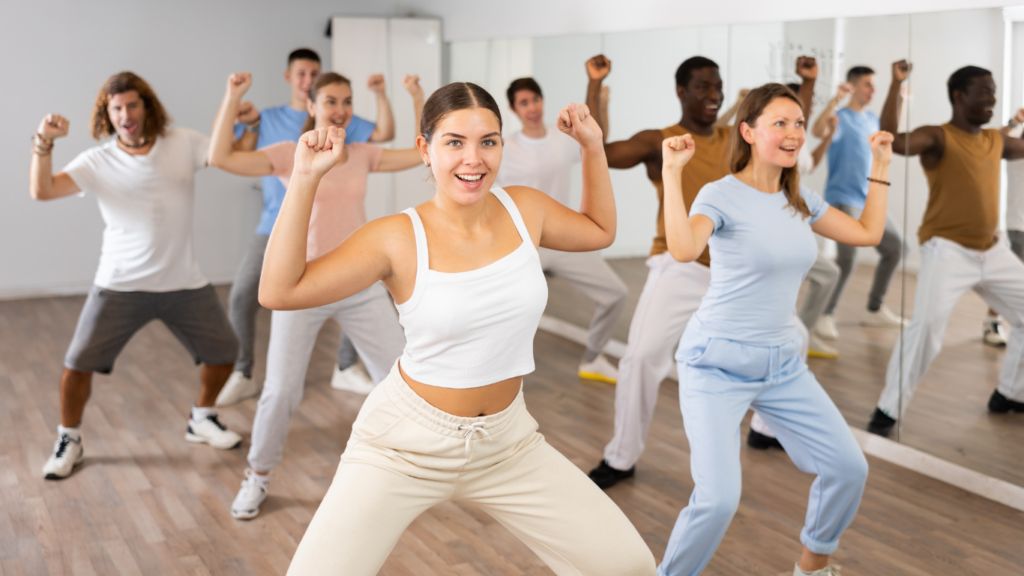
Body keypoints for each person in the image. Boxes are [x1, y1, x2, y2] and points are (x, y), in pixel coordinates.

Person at [259, 83, 656, 574]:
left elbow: (599, 229)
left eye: (488, 141)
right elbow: (280, 292)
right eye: (454, 142)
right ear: (425, 149)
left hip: (507, 442)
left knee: (627, 564)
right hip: (404, 445)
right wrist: (303, 178)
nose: (474, 158)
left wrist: (592, 147)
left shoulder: (525, 209)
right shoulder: (396, 237)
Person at [659, 83, 885, 576]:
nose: (793, 133)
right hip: (715, 364)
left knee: (849, 468)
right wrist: (672, 175)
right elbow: (681, 248)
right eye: (780, 123)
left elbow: (867, 234)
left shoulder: (800, 197)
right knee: (718, 500)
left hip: (781, 364)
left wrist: (882, 168)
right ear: (749, 131)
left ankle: (813, 566)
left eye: (799, 123)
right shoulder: (720, 194)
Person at [583, 54, 814, 488]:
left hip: (732, 273)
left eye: (717, 86)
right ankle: (621, 457)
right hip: (679, 268)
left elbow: (788, 127)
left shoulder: (736, 140)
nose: (713, 95)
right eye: (703, 87)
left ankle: (765, 432)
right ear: (682, 92)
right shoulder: (662, 140)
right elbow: (602, 150)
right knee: (642, 357)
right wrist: (595, 85)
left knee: (796, 337)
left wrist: (807, 84)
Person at [208, 71, 424, 519]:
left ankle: (410, 468)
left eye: (346, 101)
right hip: (302, 288)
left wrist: (416, 96)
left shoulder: (362, 153)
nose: (340, 110)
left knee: (403, 380)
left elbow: (425, 152)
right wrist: (231, 97)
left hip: (359, 285)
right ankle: (258, 475)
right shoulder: (291, 154)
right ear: (311, 106)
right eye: (330, 101)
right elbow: (220, 157)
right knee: (282, 391)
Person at [31, 72, 243, 480]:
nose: (125, 115)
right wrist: (44, 142)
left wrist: (243, 117)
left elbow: (225, 154)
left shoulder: (182, 142)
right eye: (116, 108)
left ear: (147, 107)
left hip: (183, 281)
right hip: (120, 284)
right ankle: (69, 437)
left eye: (132, 105)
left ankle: (201, 417)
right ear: (106, 115)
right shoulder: (98, 160)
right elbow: (42, 191)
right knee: (77, 364)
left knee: (225, 351)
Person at [218, 48, 400, 407]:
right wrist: (238, 105)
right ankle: (243, 372)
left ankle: (345, 366)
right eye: (302, 74)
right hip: (274, 227)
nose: (308, 79)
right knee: (243, 298)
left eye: (313, 73)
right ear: (294, 81)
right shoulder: (268, 119)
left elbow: (381, 137)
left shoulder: (342, 126)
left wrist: (389, 94)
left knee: (357, 295)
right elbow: (225, 155)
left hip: (326, 235)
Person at [869, 61, 1024, 436]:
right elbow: (893, 138)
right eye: (984, 91)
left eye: (994, 91)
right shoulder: (937, 137)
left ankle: (1010, 393)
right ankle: (888, 410)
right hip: (948, 252)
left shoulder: (995, 140)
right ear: (960, 95)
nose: (993, 97)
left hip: (993, 250)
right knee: (926, 330)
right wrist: (895, 84)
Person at [495, 77, 628, 383]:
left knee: (616, 294)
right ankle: (497, 372)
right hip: (527, 245)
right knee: (505, 309)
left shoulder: (561, 138)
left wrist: (600, 100)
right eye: (523, 103)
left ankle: (593, 358)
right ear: (514, 109)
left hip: (565, 239)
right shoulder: (507, 148)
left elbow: (596, 139)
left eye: (535, 100)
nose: (532, 107)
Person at [815, 65, 907, 344]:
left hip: (868, 199)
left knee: (896, 247)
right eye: (868, 84)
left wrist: (900, 101)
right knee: (846, 260)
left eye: (874, 85)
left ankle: (874, 309)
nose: (873, 90)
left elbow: (890, 136)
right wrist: (835, 99)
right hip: (843, 198)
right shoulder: (840, 118)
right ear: (853, 86)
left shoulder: (872, 119)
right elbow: (818, 130)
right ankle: (824, 315)